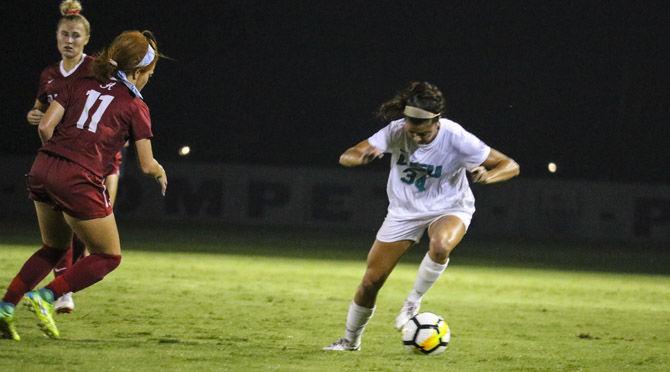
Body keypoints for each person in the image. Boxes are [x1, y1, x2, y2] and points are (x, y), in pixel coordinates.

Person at [323, 81, 520, 351]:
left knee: (440, 246)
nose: (415, 138)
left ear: (437, 122)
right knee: (371, 282)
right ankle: (350, 341)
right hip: (404, 211)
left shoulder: (457, 137)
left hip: (449, 206)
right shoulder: (396, 131)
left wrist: (488, 176)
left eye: (423, 134)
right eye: (411, 132)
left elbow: (510, 165)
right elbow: (348, 155)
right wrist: (361, 158)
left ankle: (412, 302)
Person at [0, 30, 167, 341]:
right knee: (109, 256)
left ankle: (5, 307)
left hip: (43, 166)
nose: (148, 80)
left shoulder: (81, 80)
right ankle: (46, 297)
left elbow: (46, 126)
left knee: (53, 248)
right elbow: (146, 163)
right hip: (78, 178)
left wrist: (59, 159)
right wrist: (159, 171)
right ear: (138, 71)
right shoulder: (135, 105)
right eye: (150, 74)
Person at [26, 0, 125, 314]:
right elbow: (40, 109)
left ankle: (57, 288)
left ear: (86, 39)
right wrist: (35, 114)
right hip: (63, 160)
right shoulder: (49, 74)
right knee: (64, 225)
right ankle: (63, 290)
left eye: (75, 36)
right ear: (57, 38)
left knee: (90, 222)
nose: (69, 41)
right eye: (64, 35)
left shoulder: (97, 68)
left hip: (102, 157)